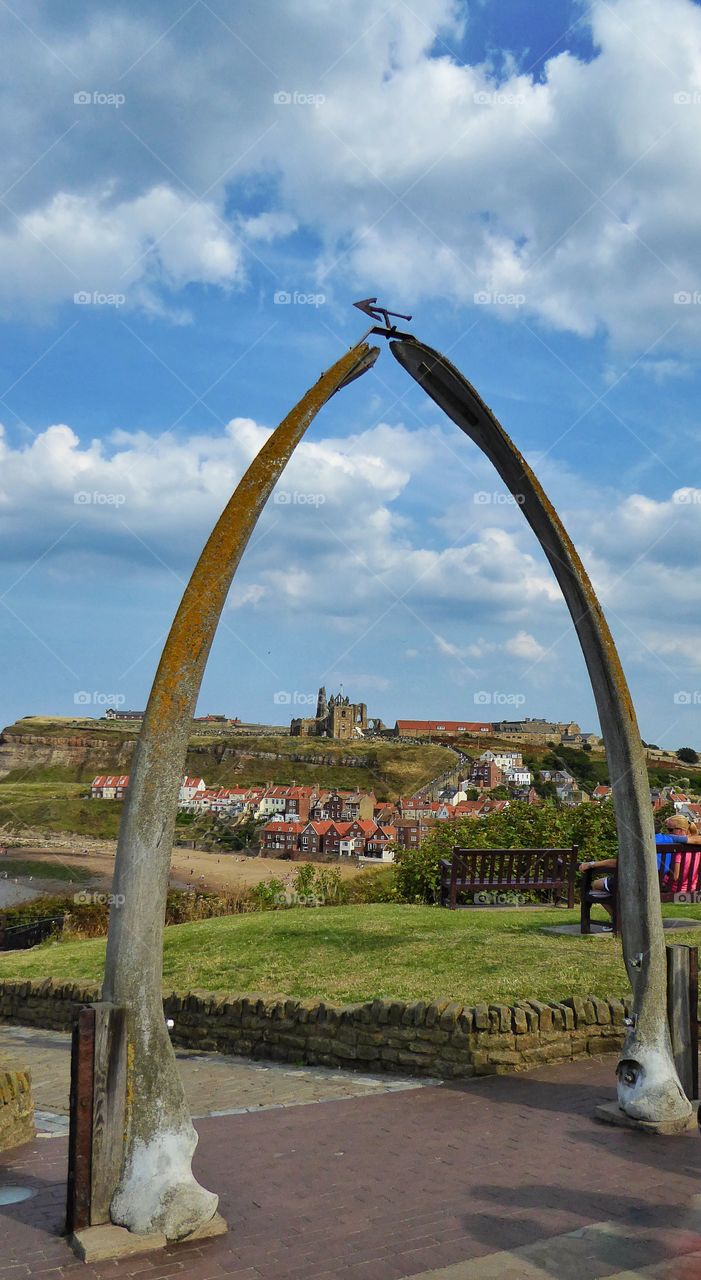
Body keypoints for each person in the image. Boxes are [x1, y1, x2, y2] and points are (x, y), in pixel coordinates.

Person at [580, 815, 701, 928]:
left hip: (642, 883)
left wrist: (592, 864)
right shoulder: (691, 847)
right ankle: (626, 918)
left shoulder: (659, 839)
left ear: (680, 830)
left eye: (669, 829)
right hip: (676, 887)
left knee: (596, 885)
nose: (666, 832)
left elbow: (622, 862)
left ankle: (618, 921)